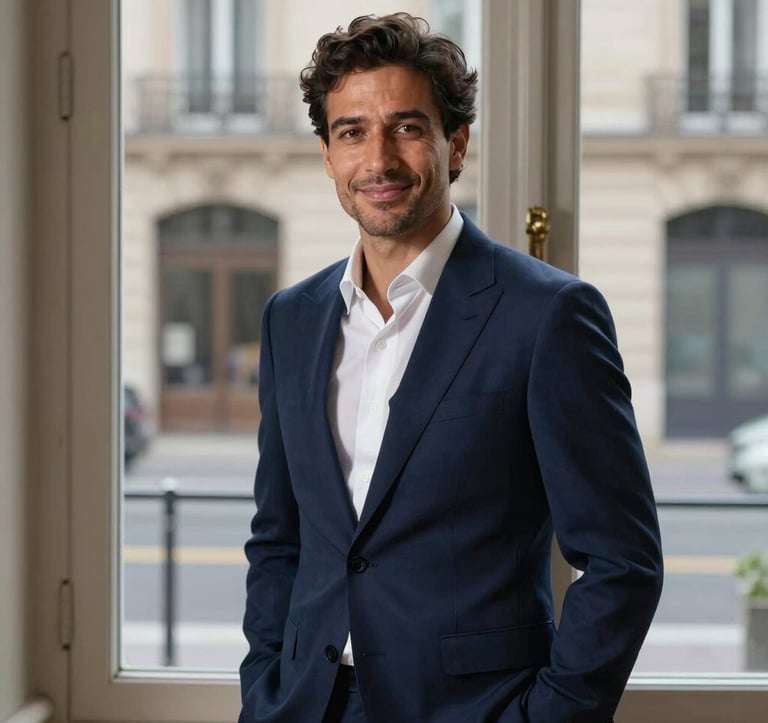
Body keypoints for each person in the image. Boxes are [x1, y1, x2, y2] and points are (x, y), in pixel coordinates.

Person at [239, 13, 663, 723]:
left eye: (406, 127)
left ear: (456, 142)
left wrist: (550, 715)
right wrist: (264, 685)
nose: (378, 159)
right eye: (352, 132)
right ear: (327, 154)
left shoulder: (547, 315)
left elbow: (624, 561)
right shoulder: (293, 317)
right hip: (304, 705)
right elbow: (280, 536)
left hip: (474, 707)